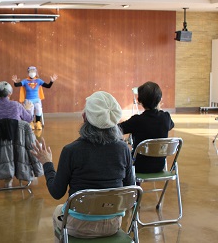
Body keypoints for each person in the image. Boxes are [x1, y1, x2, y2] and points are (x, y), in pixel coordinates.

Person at [31, 91, 134, 240]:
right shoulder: (123, 149)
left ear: (85, 117)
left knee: (57, 212)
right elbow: (130, 189)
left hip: (79, 226)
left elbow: (56, 192)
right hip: (112, 224)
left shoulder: (71, 150)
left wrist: (47, 163)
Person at [119, 81, 174, 173]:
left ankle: (134, 185)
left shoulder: (136, 120)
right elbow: (170, 126)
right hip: (159, 165)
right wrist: (158, 110)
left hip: (138, 166)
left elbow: (118, 129)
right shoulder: (166, 117)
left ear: (140, 101)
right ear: (160, 99)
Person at [12, 66, 58, 130]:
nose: (32, 73)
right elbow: (17, 85)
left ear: (36, 72)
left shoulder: (39, 81)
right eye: (30, 71)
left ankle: (38, 122)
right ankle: (31, 122)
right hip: (28, 99)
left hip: (37, 100)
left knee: (38, 108)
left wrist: (51, 81)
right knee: (30, 110)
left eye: (33, 71)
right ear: (28, 73)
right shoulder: (25, 81)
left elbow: (48, 86)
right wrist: (15, 82)